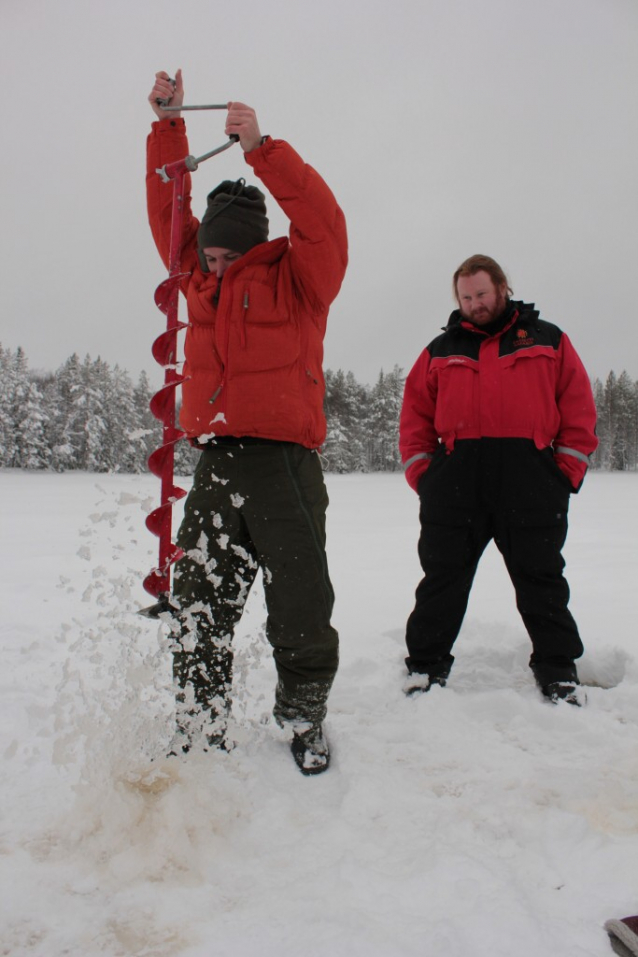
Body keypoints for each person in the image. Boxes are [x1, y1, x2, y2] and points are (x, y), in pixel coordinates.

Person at [146, 70, 348, 774]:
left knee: (300, 601)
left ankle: (303, 715)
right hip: (218, 463)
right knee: (200, 599)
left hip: (284, 468)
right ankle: (200, 718)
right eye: (210, 254)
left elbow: (324, 222)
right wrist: (168, 124)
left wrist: (263, 148)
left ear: (253, 246)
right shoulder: (197, 276)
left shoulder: (298, 278)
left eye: (231, 254)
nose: (217, 265)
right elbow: (167, 205)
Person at [399, 254, 597, 704]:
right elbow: (414, 417)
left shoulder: (548, 340)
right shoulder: (440, 349)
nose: (475, 304)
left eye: (482, 294)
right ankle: (425, 667)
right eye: (466, 297)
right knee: (442, 579)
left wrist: (563, 471)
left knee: (541, 579)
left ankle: (557, 667)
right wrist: (423, 473)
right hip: (455, 485)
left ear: (503, 288)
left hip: (529, 482)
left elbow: (578, 408)